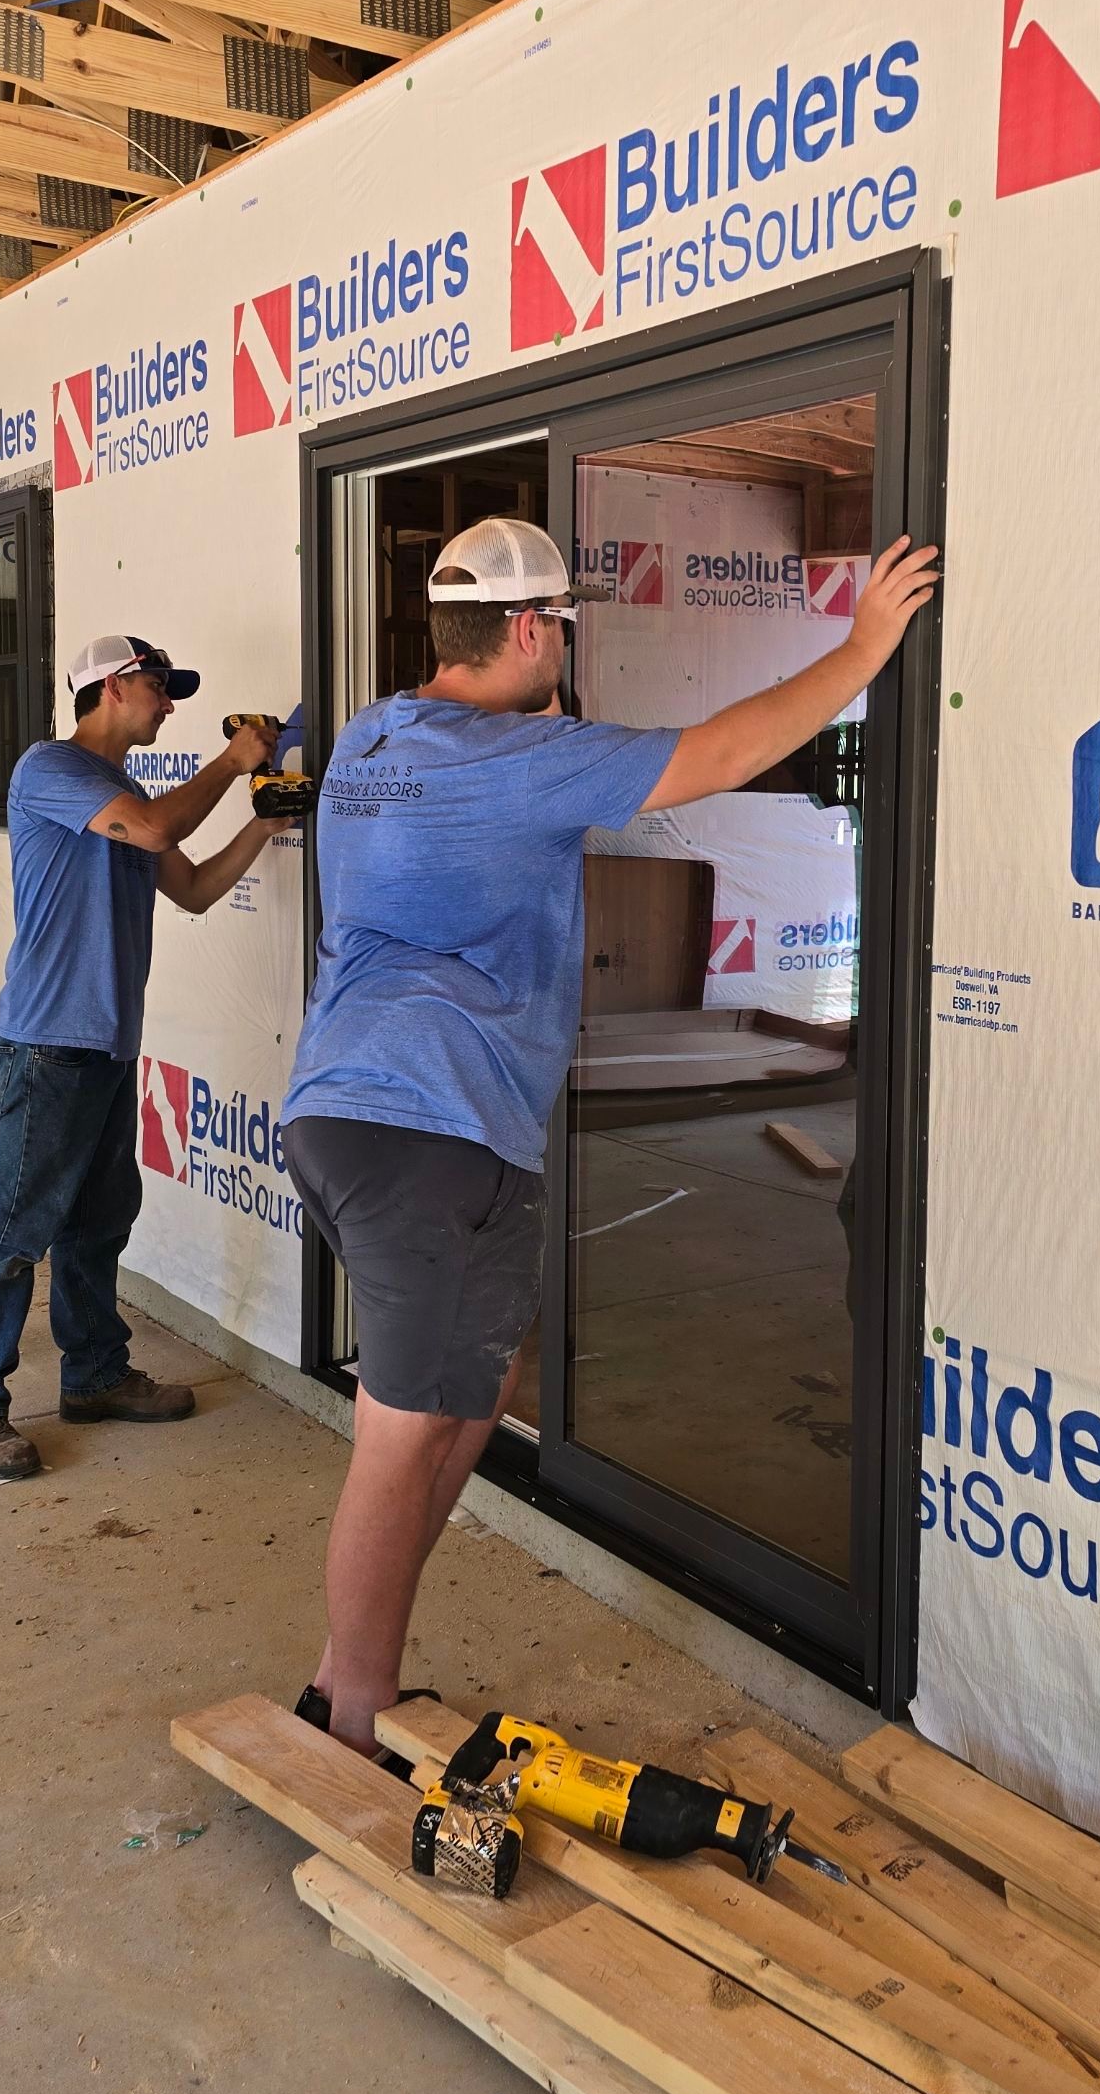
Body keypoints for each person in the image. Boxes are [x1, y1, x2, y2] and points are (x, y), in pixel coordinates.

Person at [281, 515, 939, 1754]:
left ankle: (354, 1667)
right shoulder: (515, 759)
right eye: (564, 634)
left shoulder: (373, 736)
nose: (568, 659)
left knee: (468, 1402)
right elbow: (722, 749)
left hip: (420, 1119)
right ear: (531, 630)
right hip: (410, 1125)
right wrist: (862, 651)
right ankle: (351, 1714)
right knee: (403, 1424)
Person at [0, 633, 276, 1479]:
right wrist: (234, 765)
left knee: (96, 1226)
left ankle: (93, 1375)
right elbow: (162, 828)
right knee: (14, 1236)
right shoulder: (51, 770)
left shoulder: (123, 793)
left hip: (106, 1047)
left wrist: (264, 823)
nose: (169, 705)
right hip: (49, 1045)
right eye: (161, 688)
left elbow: (193, 889)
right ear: (115, 687)